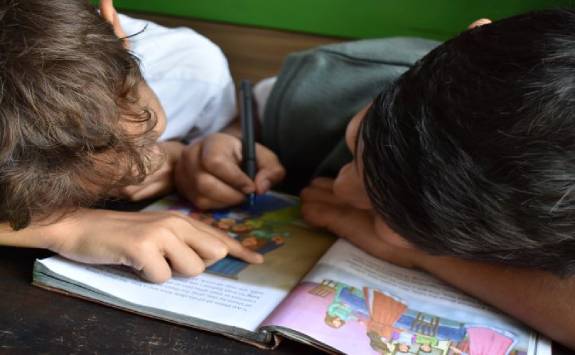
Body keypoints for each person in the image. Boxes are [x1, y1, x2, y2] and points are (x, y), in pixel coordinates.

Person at [181, 10, 575, 348]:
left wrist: (415, 255)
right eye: (355, 143)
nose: (340, 188)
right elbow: (249, 114)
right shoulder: (327, 85)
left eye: (391, 218)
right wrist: (224, 140)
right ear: (472, 35)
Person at [0, 0, 272, 283]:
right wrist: (64, 228)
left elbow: (232, 125)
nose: (140, 168)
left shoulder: (193, 73)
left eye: (148, 136)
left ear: (115, 30)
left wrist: (206, 148)